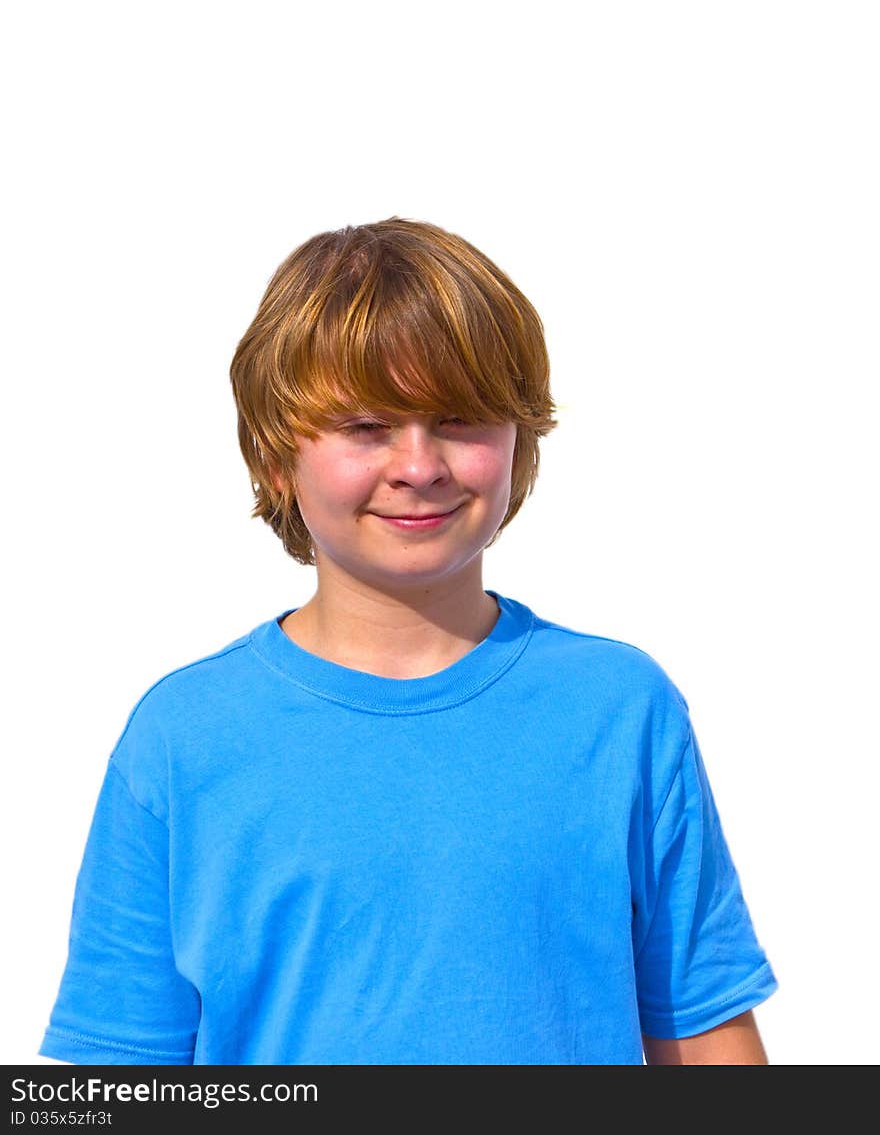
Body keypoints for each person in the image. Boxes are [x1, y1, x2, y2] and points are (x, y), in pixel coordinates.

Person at [40, 216, 778, 1066]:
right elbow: (120, 1070)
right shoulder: (184, 736)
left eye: (460, 419)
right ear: (277, 456)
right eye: (365, 426)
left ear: (519, 442)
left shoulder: (621, 708)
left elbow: (704, 1029)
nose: (419, 465)